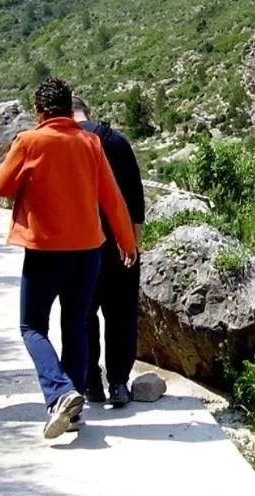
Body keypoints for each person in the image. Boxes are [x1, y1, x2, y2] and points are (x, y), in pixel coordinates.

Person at [0, 78, 138, 439]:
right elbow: (113, 198)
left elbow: (2, 187)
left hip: (44, 252)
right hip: (88, 252)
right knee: (75, 325)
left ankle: (59, 393)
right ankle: (72, 407)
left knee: (32, 326)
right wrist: (126, 242)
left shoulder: (29, 141)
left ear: (39, 111)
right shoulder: (91, 142)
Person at [72, 96, 146, 408]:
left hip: (77, 247)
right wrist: (135, 245)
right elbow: (136, 201)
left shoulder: (62, 144)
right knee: (121, 314)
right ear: (86, 112)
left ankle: (90, 383)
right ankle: (118, 383)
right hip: (118, 244)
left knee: (83, 316)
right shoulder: (116, 142)